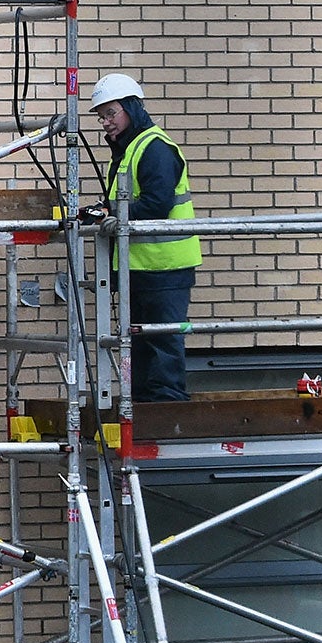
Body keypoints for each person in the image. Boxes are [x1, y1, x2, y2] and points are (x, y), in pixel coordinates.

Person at [90, 72, 201, 403]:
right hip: (139, 267)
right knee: (139, 341)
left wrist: (115, 216)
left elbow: (157, 203)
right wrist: (106, 209)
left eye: (111, 113)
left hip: (165, 268)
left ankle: (167, 410)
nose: (106, 123)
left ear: (131, 108)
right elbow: (132, 201)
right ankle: (141, 406)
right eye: (102, 117)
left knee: (161, 342)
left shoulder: (154, 148)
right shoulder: (130, 150)